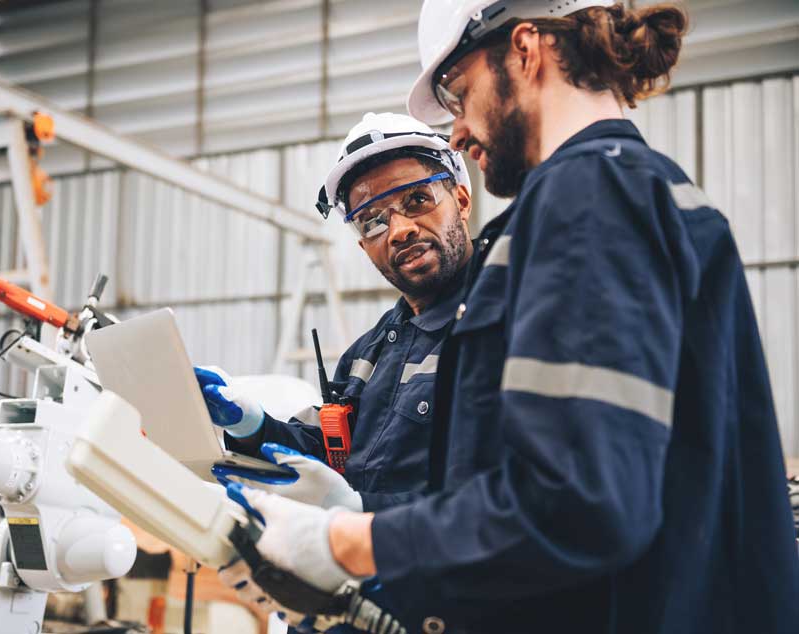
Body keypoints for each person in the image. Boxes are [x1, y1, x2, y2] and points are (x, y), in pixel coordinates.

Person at [221, 1, 799, 633]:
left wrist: (347, 541)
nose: (460, 133)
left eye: (459, 94)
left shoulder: (586, 196)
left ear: (525, 49)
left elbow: (580, 502)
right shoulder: (638, 188)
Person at [193, 112, 476, 608]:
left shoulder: (498, 329)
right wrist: (253, 426)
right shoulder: (369, 353)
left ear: (462, 199)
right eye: (373, 221)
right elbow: (330, 452)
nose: (400, 230)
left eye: (417, 199)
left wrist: (362, 514)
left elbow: (499, 501)